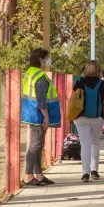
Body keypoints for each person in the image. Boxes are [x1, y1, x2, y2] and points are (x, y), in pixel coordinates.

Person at [22, 48, 61, 186]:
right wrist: (46, 117)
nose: (49, 60)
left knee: (38, 145)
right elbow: (41, 99)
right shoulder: (39, 76)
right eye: (47, 57)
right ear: (40, 59)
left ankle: (38, 175)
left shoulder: (30, 73)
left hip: (31, 112)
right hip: (37, 114)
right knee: (35, 145)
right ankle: (27, 176)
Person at [73, 60, 104, 182]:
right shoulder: (103, 84)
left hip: (81, 117)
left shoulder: (80, 82)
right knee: (95, 142)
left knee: (85, 145)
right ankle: (94, 170)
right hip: (98, 117)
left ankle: (85, 173)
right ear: (98, 70)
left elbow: (73, 100)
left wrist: (71, 116)